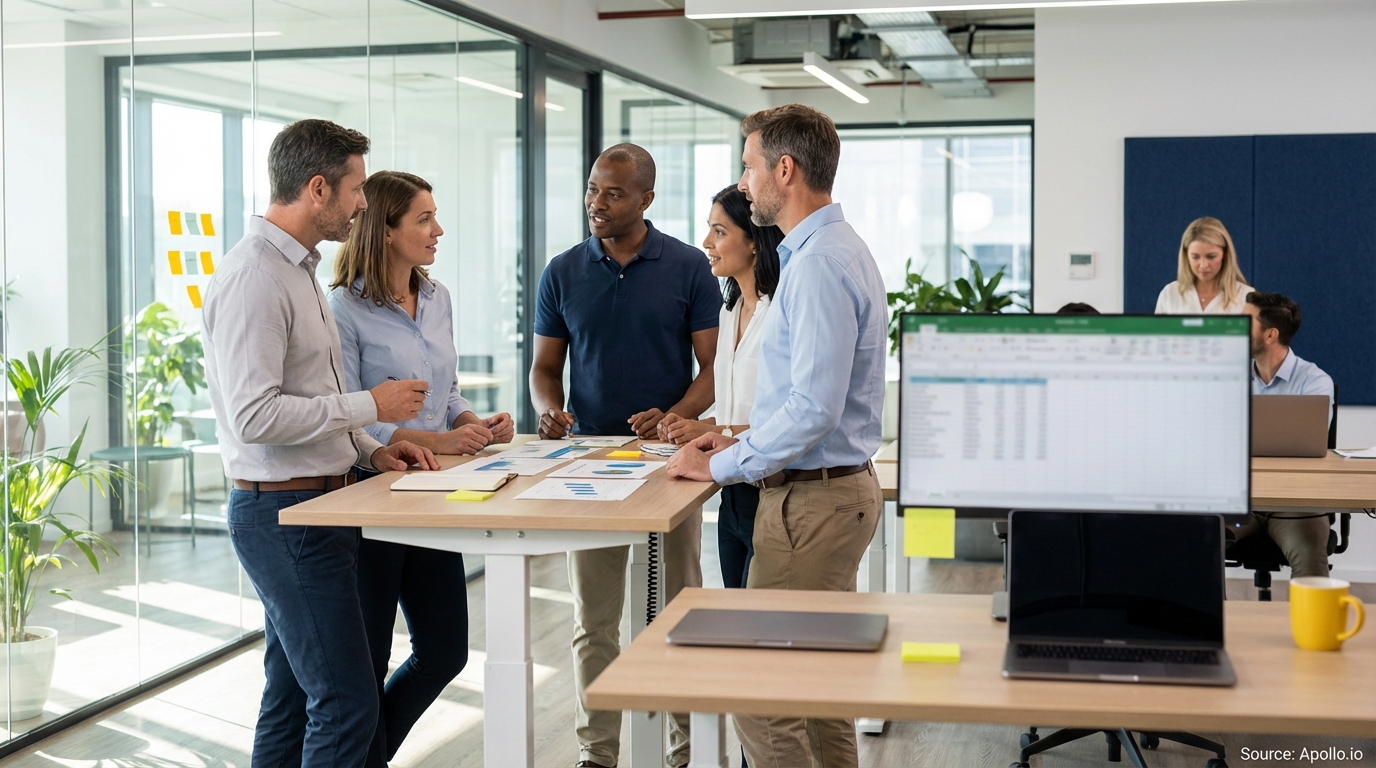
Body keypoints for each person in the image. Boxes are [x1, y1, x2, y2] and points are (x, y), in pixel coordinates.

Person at [202, 119, 440, 768]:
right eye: (357, 188)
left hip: (320, 509)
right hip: (286, 519)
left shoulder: (297, 271)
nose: (364, 202)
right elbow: (255, 417)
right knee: (346, 701)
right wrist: (374, 406)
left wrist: (371, 449)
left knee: (291, 700)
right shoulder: (255, 277)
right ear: (317, 188)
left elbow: (310, 398)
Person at [667, 103, 887, 768]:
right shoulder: (827, 251)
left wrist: (725, 464)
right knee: (817, 691)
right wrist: (735, 442)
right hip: (825, 494)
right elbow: (803, 402)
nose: (743, 182)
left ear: (784, 170)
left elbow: (813, 409)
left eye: (749, 166)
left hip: (811, 504)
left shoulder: (818, 264)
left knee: (761, 695)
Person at [530, 143, 720, 768]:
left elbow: (714, 367)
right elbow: (545, 367)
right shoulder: (562, 271)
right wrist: (548, 407)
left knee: (675, 612)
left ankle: (683, 750)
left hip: (670, 463)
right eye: (591, 190)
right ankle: (599, 754)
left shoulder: (690, 267)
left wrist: (675, 419)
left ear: (646, 199)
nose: (596, 203)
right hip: (588, 465)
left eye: (612, 193)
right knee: (594, 619)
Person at [327, 170, 515, 764]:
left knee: (445, 651)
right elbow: (353, 418)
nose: (438, 230)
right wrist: (435, 435)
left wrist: (471, 423)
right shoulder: (343, 310)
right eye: (423, 219)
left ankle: (366, 756)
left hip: (435, 492)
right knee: (370, 658)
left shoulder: (438, 299)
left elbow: (447, 390)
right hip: (374, 494)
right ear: (385, 231)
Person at [658, 186, 781, 589]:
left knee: (762, 627)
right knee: (737, 617)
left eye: (719, 232)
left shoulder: (780, 314)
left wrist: (714, 431)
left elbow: (789, 420)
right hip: (732, 491)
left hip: (774, 490)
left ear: (755, 242)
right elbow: (737, 410)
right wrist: (689, 426)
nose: (707, 243)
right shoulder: (729, 311)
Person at [1235, 290, 1336, 579]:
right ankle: (1208, 624)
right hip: (1242, 503)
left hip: (1296, 504)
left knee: (1308, 552)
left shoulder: (1314, 382)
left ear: (1270, 335)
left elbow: (1307, 445)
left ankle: (1310, 626)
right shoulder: (1228, 375)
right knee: (1196, 539)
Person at [1155, 216, 1254, 314]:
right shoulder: (1170, 293)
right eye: (1195, 257)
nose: (1203, 265)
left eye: (1211, 257)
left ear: (1225, 254)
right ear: (1186, 257)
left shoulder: (1246, 296)